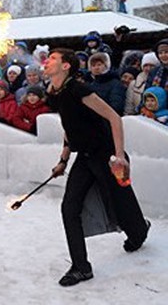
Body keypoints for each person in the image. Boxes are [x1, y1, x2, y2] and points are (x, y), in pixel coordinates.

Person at [44, 48, 150, 287]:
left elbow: (114, 117)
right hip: (85, 156)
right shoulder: (54, 92)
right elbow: (69, 125)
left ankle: (139, 232)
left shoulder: (79, 89)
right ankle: (81, 267)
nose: (47, 62)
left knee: (120, 202)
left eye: (53, 58)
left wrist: (120, 155)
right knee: (69, 207)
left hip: (107, 155)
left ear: (66, 66)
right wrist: (63, 158)